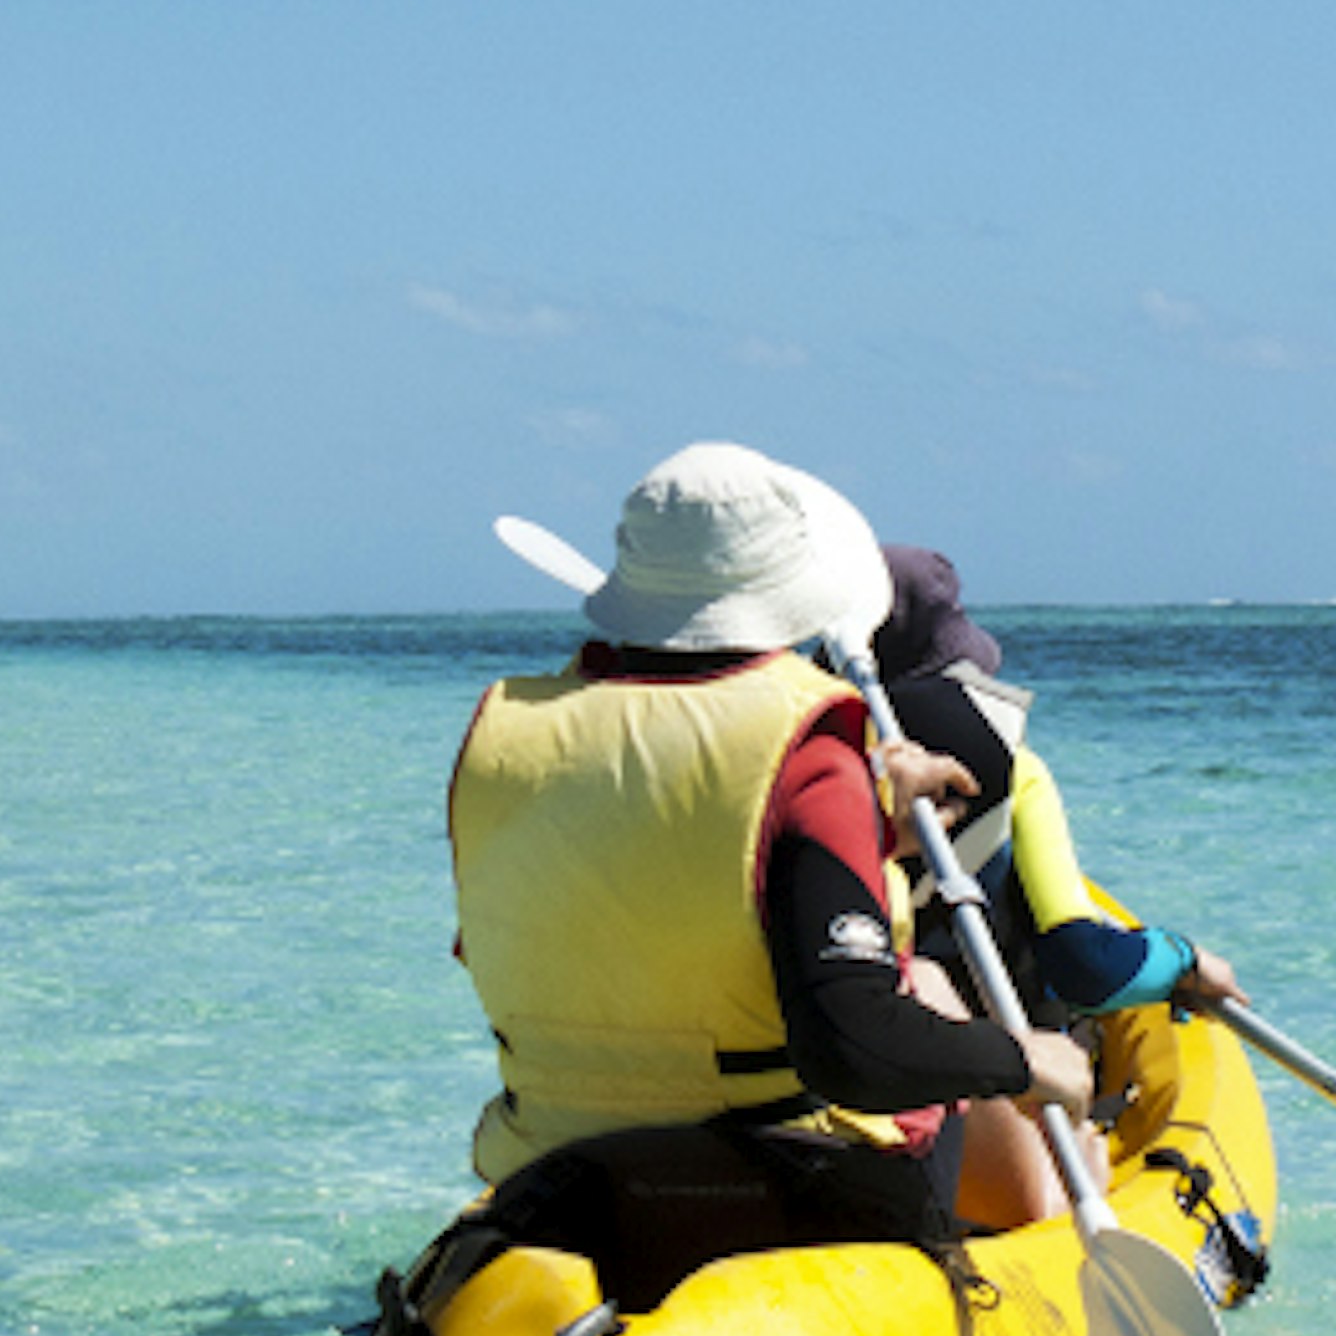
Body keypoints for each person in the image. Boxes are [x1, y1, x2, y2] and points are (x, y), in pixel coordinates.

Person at [446, 444, 1099, 1268]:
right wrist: (1026, 1062)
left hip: (549, 1159)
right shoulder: (810, 744)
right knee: (930, 986)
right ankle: (1055, 1219)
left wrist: (864, 828)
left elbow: (664, 868)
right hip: (787, 1181)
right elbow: (854, 1048)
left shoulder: (507, 732)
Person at [870, 543, 1243, 1086]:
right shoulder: (1014, 768)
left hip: (834, 1041)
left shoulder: (800, 757)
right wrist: (1181, 958)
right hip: (978, 1065)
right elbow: (1084, 966)